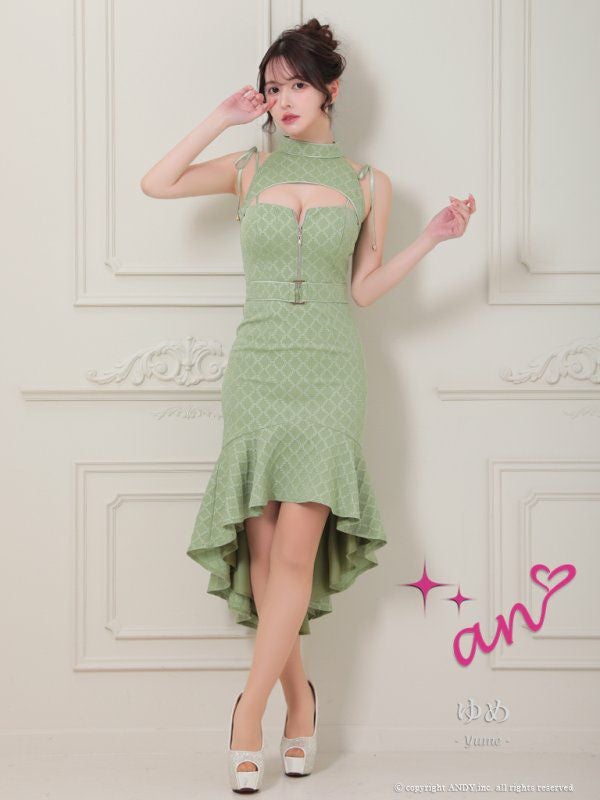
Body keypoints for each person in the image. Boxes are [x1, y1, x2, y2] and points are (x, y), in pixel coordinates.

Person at [140, 17, 475, 794]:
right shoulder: (247, 169)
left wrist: (431, 239)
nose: (284, 99)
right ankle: (301, 703)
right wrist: (222, 118)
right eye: (273, 87)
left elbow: (364, 289)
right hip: (257, 369)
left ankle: (247, 715)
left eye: (297, 84)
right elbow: (157, 182)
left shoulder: (367, 183)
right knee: (263, 560)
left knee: (293, 554)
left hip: (329, 373)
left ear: (331, 90)